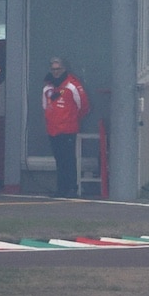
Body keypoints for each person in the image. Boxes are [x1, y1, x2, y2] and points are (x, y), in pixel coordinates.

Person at [42, 56, 90, 198]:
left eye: (58, 69)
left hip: (68, 129)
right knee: (59, 160)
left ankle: (71, 188)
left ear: (64, 69)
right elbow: (45, 107)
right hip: (53, 129)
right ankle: (61, 189)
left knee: (69, 160)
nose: (56, 72)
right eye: (53, 69)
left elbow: (84, 106)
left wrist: (71, 119)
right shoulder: (47, 87)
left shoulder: (72, 85)